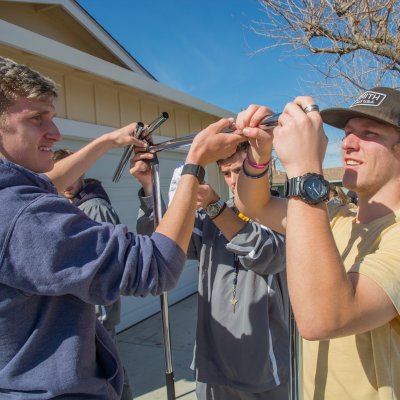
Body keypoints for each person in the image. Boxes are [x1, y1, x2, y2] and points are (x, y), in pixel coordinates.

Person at [0, 55, 245, 399]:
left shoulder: (12, 195)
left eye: (52, 118)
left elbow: (46, 183)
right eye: (36, 119)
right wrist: (194, 164)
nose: (54, 133)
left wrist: (109, 141)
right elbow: (156, 266)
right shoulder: (24, 216)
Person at [234, 87, 400, 400]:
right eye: (348, 132)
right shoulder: (333, 217)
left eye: (368, 133)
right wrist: (259, 154)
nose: (348, 143)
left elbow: (322, 319)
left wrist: (305, 169)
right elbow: (251, 204)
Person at [131, 142, 289, 400]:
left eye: (240, 170)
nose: (234, 181)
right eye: (227, 174)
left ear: (264, 167)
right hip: (212, 362)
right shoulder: (210, 219)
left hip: (263, 365)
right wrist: (150, 186)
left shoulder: (281, 212)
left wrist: (214, 206)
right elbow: (163, 242)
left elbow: (266, 256)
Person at [53, 148, 132, 400]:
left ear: (82, 172)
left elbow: (109, 260)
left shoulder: (94, 207)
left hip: (98, 309)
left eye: (72, 175)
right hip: (86, 308)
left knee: (108, 371)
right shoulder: (71, 205)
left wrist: (100, 313)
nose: (67, 184)